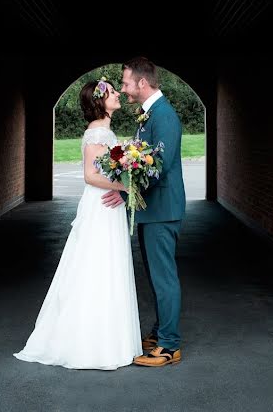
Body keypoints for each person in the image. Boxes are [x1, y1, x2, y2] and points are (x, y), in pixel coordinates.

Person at [13, 78, 142, 370]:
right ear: (100, 101)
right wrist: (126, 188)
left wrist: (123, 183)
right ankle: (92, 343)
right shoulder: (97, 132)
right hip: (100, 206)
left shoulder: (104, 130)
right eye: (112, 92)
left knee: (107, 264)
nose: (118, 94)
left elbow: (107, 171)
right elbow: (90, 175)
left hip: (107, 204)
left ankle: (110, 337)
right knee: (98, 265)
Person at [103, 56, 186, 367]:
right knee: (155, 276)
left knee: (164, 278)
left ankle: (169, 345)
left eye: (125, 83)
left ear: (141, 82)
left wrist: (125, 194)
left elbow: (158, 168)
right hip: (151, 211)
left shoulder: (164, 116)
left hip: (163, 210)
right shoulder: (148, 115)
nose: (123, 89)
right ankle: (160, 330)